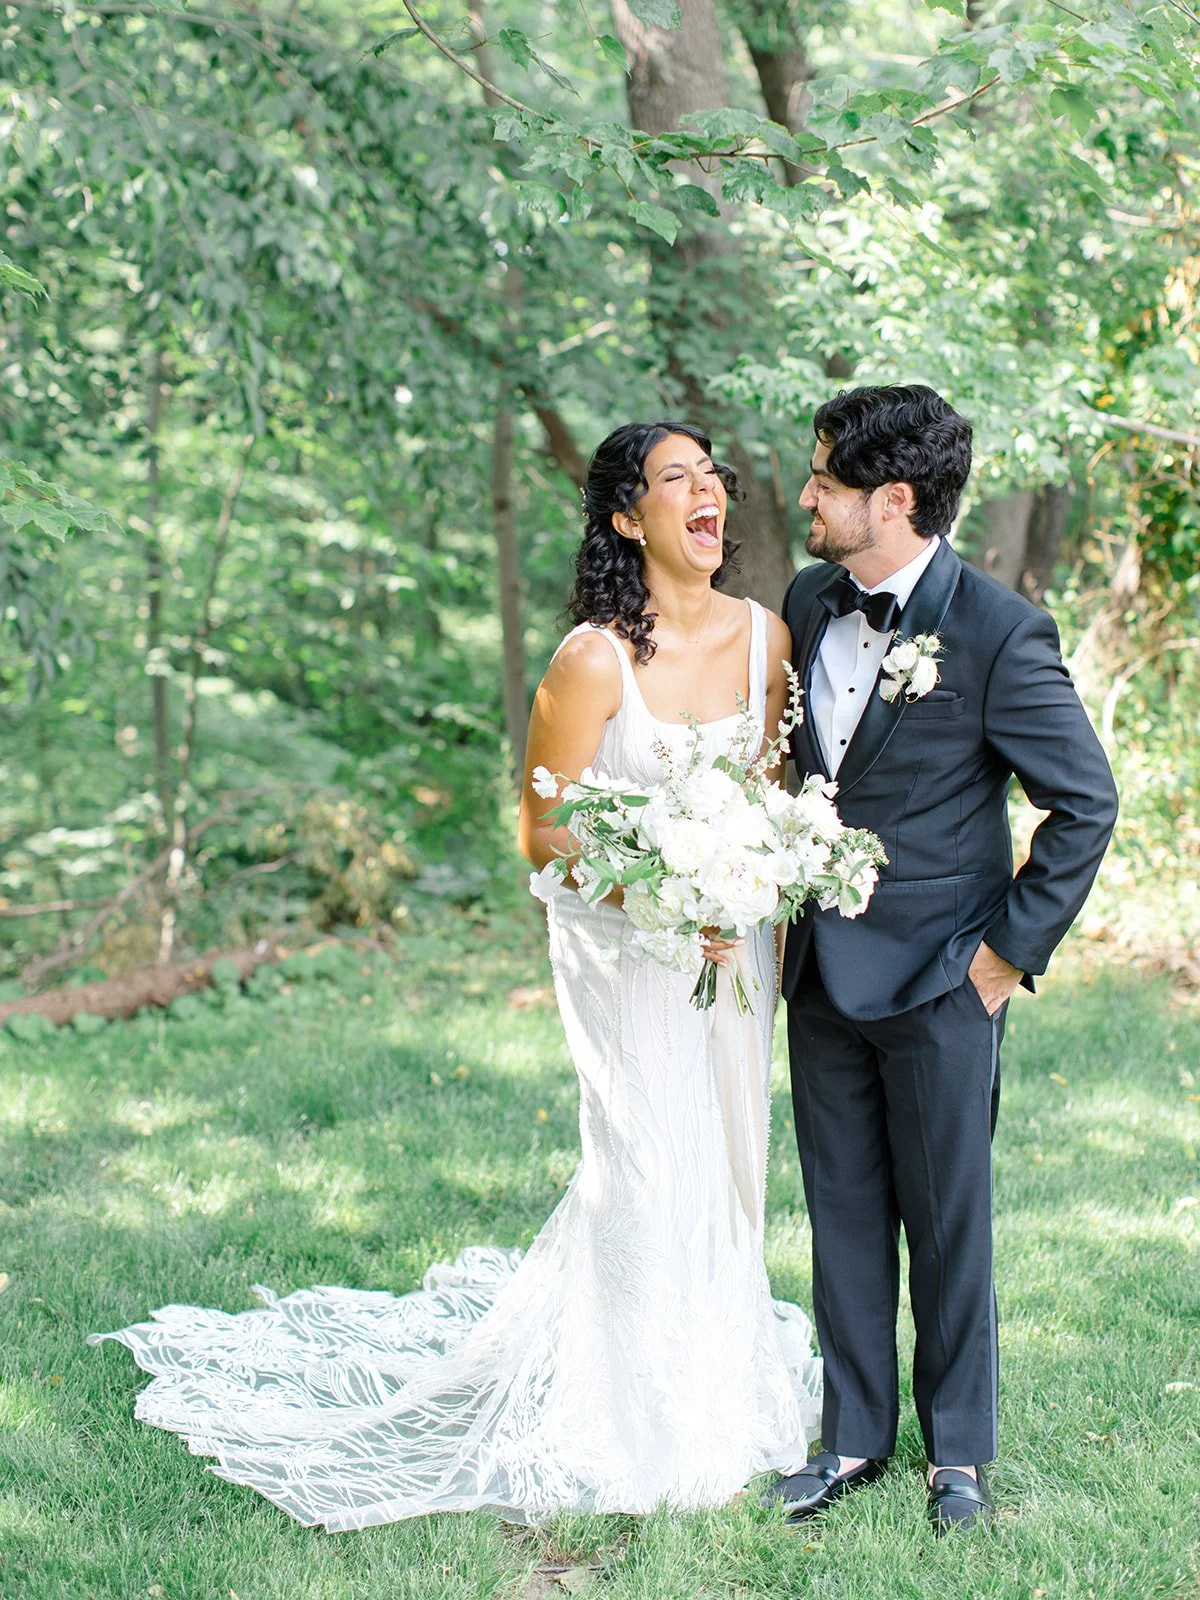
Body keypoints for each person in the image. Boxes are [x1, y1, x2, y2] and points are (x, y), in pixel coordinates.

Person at [89, 420, 821, 1529]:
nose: (710, 491)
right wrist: (664, 896)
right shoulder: (591, 660)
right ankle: (635, 1414)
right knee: (643, 1150)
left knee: (726, 1149)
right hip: (625, 947)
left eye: (713, 476)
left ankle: (719, 1374)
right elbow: (544, 831)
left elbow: (767, 798)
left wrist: (742, 880)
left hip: (736, 947)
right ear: (628, 518)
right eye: (679, 479)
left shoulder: (769, 640)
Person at [766, 384, 1118, 1534]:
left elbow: (1085, 803)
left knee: (948, 1219)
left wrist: (1002, 963)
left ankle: (958, 1454)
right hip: (821, 972)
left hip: (940, 982)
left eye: (825, 479)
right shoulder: (809, 600)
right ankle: (853, 1436)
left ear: (895, 499)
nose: (806, 496)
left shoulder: (998, 631)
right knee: (843, 1212)